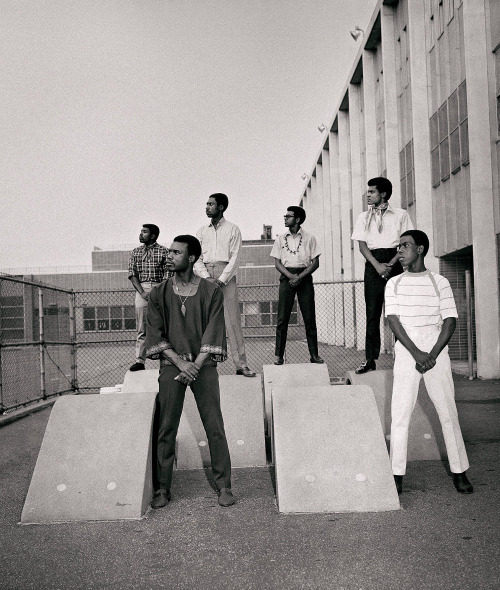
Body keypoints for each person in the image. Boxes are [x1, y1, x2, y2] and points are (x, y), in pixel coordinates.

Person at [145, 235, 234, 509]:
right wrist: (181, 363)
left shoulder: (211, 290)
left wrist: (195, 363)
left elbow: (215, 328)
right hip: (173, 366)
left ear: (192, 258)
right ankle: (162, 488)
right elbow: (155, 333)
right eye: (169, 252)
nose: (169, 256)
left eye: (175, 252)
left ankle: (224, 486)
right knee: (166, 427)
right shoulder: (159, 292)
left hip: (203, 365)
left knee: (214, 426)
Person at [385, 229, 473, 495]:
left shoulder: (440, 282)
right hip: (407, 351)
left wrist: (432, 354)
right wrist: (416, 353)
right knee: (400, 415)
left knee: (448, 413)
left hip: (436, 351)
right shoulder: (394, 284)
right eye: (399, 247)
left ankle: (460, 472)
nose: (400, 251)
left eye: (405, 246)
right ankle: (396, 475)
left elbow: (450, 320)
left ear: (420, 249)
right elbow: (393, 321)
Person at [351, 177, 413, 374]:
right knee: (372, 313)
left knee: (397, 313)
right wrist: (377, 265)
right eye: (368, 192)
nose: (368, 195)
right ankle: (370, 360)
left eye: (371, 192)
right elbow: (362, 245)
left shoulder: (401, 214)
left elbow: (405, 243)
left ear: (383, 194)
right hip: (373, 263)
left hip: (394, 261)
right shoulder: (363, 217)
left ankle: (403, 359)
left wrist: (391, 264)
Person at [194, 193, 255, 377]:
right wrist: (206, 277)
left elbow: (235, 258)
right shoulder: (201, 231)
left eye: (211, 204)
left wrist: (221, 279)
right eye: (206, 204)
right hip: (205, 276)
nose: (207, 207)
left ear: (221, 207)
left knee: (232, 321)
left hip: (225, 276)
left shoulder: (233, 229)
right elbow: (196, 257)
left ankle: (241, 365)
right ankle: (203, 365)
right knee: (204, 322)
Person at [270, 206, 324, 365]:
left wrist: (300, 276)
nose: (285, 218)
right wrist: (290, 276)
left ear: (298, 219)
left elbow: (315, 263)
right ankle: (279, 356)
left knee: (309, 318)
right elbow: (277, 262)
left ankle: (314, 355)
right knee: (282, 318)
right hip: (287, 276)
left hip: (304, 277)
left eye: (288, 216)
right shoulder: (280, 239)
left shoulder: (309, 238)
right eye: (285, 215)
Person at [128, 224, 172, 372]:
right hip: (142, 288)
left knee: (163, 326)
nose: (141, 234)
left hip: (160, 289)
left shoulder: (164, 251)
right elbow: (132, 274)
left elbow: (168, 274)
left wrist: (157, 292)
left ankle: (167, 360)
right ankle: (140, 361)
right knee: (142, 327)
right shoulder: (135, 252)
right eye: (141, 231)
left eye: (144, 232)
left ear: (153, 235)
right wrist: (142, 292)